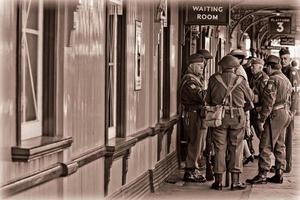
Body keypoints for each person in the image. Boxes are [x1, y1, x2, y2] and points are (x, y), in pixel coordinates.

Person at [205, 55, 254, 190]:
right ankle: (235, 182)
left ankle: (218, 182)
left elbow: (208, 100)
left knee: (219, 148)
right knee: (236, 148)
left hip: (219, 118)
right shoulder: (241, 80)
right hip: (237, 117)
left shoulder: (213, 79)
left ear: (222, 67)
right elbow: (251, 99)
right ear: (235, 67)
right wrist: (240, 109)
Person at [246, 55, 292, 184]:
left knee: (265, 144)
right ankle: (279, 172)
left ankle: (262, 174)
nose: (266, 70)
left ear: (270, 67)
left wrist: (262, 118)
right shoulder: (285, 79)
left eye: (267, 67)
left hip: (276, 114)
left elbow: (268, 102)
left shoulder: (273, 80)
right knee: (279, 144)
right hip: (285, 113)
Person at [180, 53, 208, 183]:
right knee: (195, 142)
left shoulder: (197, 79)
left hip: (199, 113)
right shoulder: (189, 80)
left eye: (202, 66)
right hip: (193, 114)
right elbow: (201, 96)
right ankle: (190, 170)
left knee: (199, 143)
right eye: (199, 66)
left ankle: (194, 168)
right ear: (191, 66)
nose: (202, 68)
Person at [229, 49, 255, 165]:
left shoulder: (239, 71)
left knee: (240, 133)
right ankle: (248, 153)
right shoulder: (238, 70)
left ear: (238, 60)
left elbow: (246, 92)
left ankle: (241, 158)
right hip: (240, 105)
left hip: (240, 106)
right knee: (241, 132)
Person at [279, 48, 299, 173]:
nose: (283, 61)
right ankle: (280, 164)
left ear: (290, 59)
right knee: (280, 138)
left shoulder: (292, 72)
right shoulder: (282, 71)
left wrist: (293, 109)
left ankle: (287, 165)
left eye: (285, 58)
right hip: (282, 108)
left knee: (288, 138)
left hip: (288, 109)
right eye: (281, 59)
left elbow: (296, 92)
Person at [249, 58, 269, 139]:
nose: (251, 68)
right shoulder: (253, 77)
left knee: (261, 134)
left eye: (253, 66)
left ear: (260, 68)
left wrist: (261, 109)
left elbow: (266, 97)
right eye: (251, 66)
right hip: (253, 108)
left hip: (259, 110)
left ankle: (265, 151)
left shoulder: (264, 79)